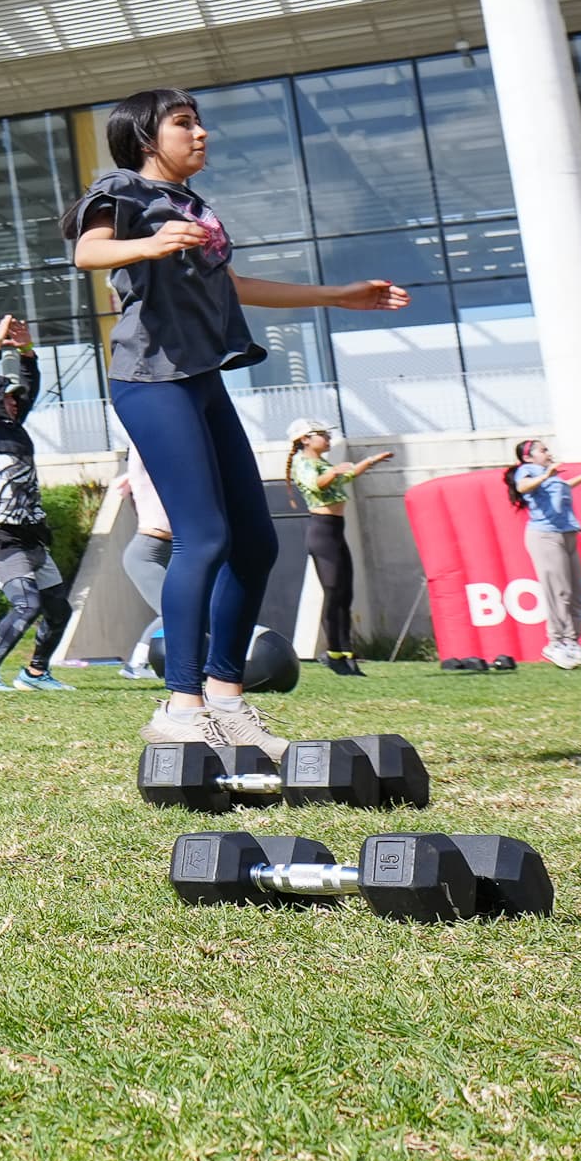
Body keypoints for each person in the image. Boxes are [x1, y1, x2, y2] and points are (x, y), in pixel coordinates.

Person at [71, 85, 408, 765]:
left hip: (201, 379)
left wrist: (337, 295)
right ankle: (180, 705)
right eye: (184, 124)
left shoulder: (196, 208)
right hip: (149, 381)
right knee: (204, 536)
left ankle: (227, 702)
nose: (202, 134)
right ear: (145, 136)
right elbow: (89, 252)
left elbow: (231, 287)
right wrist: (151, 242)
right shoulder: (121, 191)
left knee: (254, 543)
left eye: (200, 123)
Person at [0, 316, 76, 691]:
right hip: (1, 538)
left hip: (32, 537)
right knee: (26, 605)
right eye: (7, 396)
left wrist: (26, 352)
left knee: (59, 610)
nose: (13, 402)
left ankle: (36, 673)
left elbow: (31, 386)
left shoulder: (15, 429)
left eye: (15, 398)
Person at [289, 425, 385, 675]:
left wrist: (370, 461)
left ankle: (347, 651)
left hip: (336, 530)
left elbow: (347, 475)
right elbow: (317, 484)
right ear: (306, 439)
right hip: (322, 531)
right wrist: (334, 471)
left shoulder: (321, 462)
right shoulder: (304, 463)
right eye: (323, 435)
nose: (328, 438)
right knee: (332, 592)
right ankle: (333, 653)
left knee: (345, 593)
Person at [507, 436, 581, 670]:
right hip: (545, 536)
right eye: (543, 450)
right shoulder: (527, 470)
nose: (548, 453)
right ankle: (556, 642)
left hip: (568, 532)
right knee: (559, 590)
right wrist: (545, 475)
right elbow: (523, 487)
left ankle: (572, 642)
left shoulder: (550, 474)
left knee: (574, 591)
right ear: (528, 456)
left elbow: (563, 487)